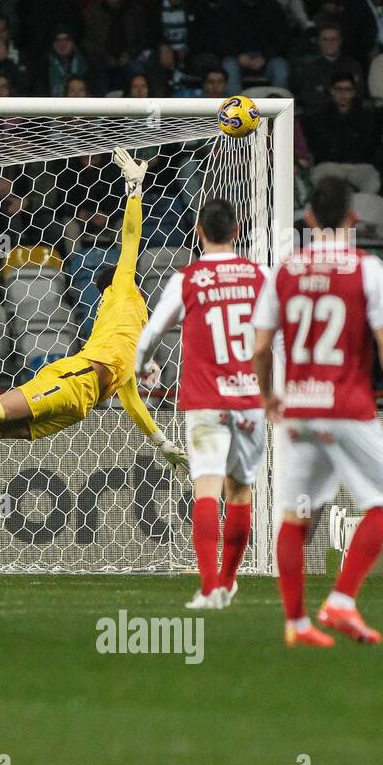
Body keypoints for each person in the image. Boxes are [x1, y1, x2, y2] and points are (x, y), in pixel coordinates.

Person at [0, 149, 188, 477]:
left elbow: (132, 401)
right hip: (75, 379)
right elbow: (131, 240)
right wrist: (134, 189)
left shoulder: (129, 338)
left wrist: (162, 443)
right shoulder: (123, 291)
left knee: (2, 430)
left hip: (80, 406)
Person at [251, 177, 383, 648]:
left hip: (298, 409)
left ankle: (297, 624)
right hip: (348, 409)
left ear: (311, 219)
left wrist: (268, 396)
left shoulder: (285, 268)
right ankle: (341, 599)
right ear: (354, 218)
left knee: (294, 520)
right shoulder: (368, 268)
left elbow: (260, 346)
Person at [135, 198, 266, 610]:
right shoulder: (261, 275)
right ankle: (228, 582)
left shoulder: (187, 279)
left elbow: (151, 334)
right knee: (241, 492)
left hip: (206, 400)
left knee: (206, 489)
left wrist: (144, 366)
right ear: (238, 229)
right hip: (248, 399)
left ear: (197, 230)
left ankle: (210, 588)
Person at [215, 0, 290, 93]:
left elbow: (282, 39)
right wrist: (238, 56)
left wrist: (266, 57)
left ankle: (277, 111)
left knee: (281, 68)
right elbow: (220, 38)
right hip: (236, 58)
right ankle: (236, 112)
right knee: (229, 67)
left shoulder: (274, 8)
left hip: (267, 59)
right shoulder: (227, 7)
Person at [17, 0, 82, 67]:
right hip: (30, 61)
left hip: (61, 61)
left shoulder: (69, 7)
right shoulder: (22, 7)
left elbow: (76, 35)